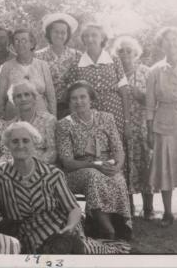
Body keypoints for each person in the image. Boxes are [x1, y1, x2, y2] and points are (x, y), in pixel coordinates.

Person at [0, 122, 130, 254]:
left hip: (59, 227)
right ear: (7, 145)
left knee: (79, 250)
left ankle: (108, 247)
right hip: (24, 233)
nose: (20, 145)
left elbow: (73, 208)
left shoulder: (52, 174)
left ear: (34, 143)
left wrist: (70, 227)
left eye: (25, 141)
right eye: (15, 141)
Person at [56, 81, 132, 240]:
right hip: (78, 171)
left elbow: (118, 148)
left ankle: (120, 224)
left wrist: (117, 166)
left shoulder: (106, 118)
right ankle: (107, 229)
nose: (79, 102)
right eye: (74, 98)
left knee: (117, 178)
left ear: (91, 99)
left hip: (106, 165)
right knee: (93, 176)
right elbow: (67, 162)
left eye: (83, 97)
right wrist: (93, 165)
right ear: (69, 102)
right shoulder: (64, 125)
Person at [146, 27, 177, 228]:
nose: (171, 44)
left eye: (175, 40)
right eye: (167, 41)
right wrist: (149, 130)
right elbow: (149, 104)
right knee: (165, 168)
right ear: (161, 45)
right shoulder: (154, 70)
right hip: (163, 123)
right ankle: (167, 212)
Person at [61, 23, 130, 139]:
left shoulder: (114, 60)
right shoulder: (76, 63)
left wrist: (127, 121)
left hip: (115, 113)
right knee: (92, 149)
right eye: (86, 36)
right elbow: (71, 96)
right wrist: (75, 122)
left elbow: (124, 92)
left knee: (116, 148)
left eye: (94, 35)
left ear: (102, 38)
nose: (90, 39)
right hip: (87, 114)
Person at [112, 35, 154, 219]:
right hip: (121, 125)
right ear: (117, 53)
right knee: (124, 164)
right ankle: (128, 207)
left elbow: (155, 100)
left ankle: (149, 208)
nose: (125, 54)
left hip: (142, 124)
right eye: (121, 51)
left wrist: (142, 95)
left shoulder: (146, 72)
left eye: (129, 51)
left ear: (136, 53)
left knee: (145, 163)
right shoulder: (113, 72)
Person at [0, 28, 56, 120]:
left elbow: (51, 96)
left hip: (41, 117)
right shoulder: (6, 67)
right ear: (13, 45)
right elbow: (0, 98)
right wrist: (2, 119)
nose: (20, 44)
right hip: (14, 117)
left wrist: (53, 118)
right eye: (17, 40)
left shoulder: (42, 65)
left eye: (24, 40)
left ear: (31, 44)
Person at [36, 13, 80, 118]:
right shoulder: (38, 56)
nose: (59, 35)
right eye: (56, 32)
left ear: (67, 34)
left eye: (63, 32)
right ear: (49, 33)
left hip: (70, 106)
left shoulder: (77, 55)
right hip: (45, 106)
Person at [6, 80, 57, 164]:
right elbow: (8, 153)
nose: (23, 99)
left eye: (27, 94)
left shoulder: (48, 120)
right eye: (18, 96)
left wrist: (32, 165)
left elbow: (52, 152)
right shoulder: (11, 126)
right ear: (13, 101)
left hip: (43, 168)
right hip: (18, 168)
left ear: (34, 98)